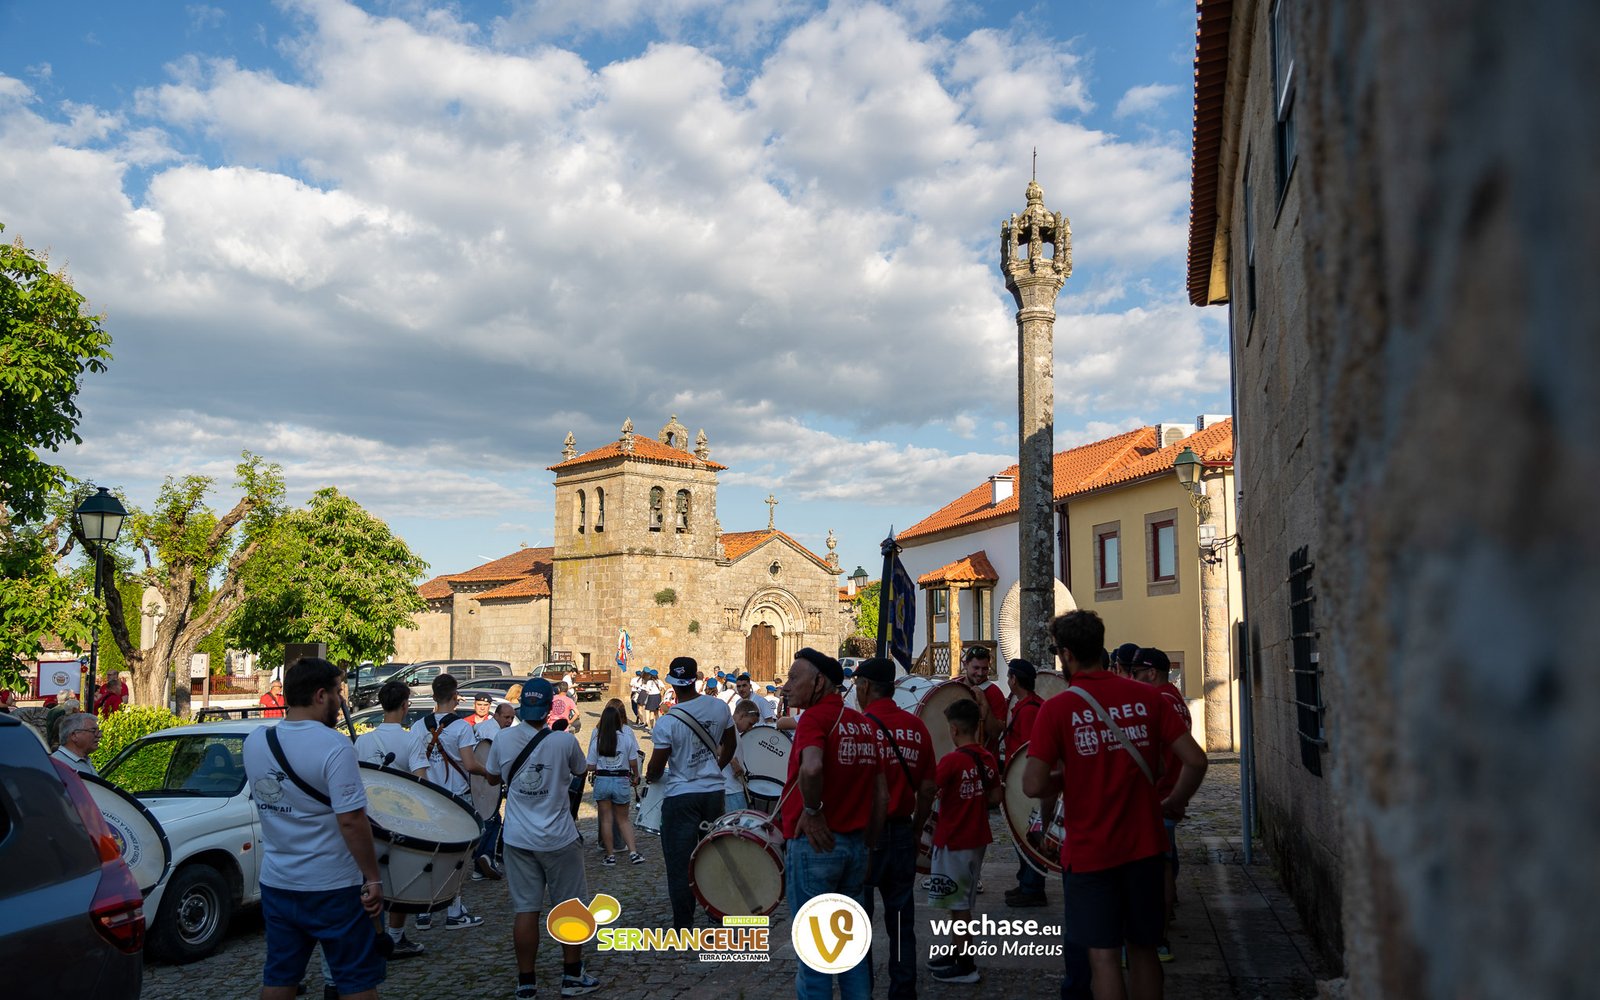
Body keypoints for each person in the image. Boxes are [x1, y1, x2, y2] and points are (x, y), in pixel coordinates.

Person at [1024, 611, 1208, 1000]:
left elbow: (1033, 784)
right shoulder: (1147, 697)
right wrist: (1174, 803)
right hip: (1145, 846)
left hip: (1091, 853)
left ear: (1068, 654)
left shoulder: (1057, 710)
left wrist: (1072, 773)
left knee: (1104, 957)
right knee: (1144, 950)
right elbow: (1196, 760)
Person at [242, 658, 385, 1000]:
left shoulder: (255, 741)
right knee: (356, 979)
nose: (341, 701)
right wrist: (373, 877)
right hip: (332, 884)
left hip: (278, 881)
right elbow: (350, 819)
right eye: (338, 692)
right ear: (321, 695)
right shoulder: (334, 745)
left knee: (279, 977)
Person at [482, 679, 601, 999]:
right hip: (559, 837)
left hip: (518, 837)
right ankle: (572, 976)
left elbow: (492, 777)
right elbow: (579, 770)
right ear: (550, 708)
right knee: (570, 908)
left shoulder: (503, 740)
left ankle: (526, 982)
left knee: (526, 910)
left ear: (522, 708)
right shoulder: (563, 743)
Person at [780, 648, 886, 1000]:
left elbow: (811, 768)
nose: (786, 686)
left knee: (814, 956)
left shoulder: (814, 719)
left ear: (820, 682)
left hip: (816, 848)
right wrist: (868, 845)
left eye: (795, 678)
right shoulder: (863, 724)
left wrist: (812, 811)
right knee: (851, 950)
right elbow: (880, 796)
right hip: (855, 847)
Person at [854, 657, 936, 1000]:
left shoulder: (858, 728)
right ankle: (904, 991)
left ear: (865, 687)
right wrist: (917, 829)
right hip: (902, 830)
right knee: (902, 920)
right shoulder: (916, 727)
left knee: (857, 922)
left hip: (863, 835)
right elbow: (929, 787)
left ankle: (861, 990)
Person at [646, 656, 735, 928]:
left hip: (681, 796)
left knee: (680, 863)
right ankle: (717, 916)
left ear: (672, 683)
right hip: (713, 793)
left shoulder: (666, 722)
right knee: (713, 858)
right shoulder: (719, 708)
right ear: (696, 679)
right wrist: (715, 768)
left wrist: (650, 776)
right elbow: (729, 745)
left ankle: (683, 926)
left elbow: (656, 768)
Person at [926, 698, 1002, 984]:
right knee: (961, 898)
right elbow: (995, 798)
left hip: (953, 838)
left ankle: (966, 965)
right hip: (977, 837)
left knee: (958, 905)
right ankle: (957, 951)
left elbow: (931, 788)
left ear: (954, 729)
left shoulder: (952, 761)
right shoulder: (988, 758)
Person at [350, 681, 424, 959]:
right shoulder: (411, 739)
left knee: (368, 880)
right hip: (400, 819)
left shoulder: (364, 741)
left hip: (368, 819)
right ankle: (394, 937)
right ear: (405, 705)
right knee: (399, 881)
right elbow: (422, 783)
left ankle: (371, 935)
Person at [407, 674, 486, 930]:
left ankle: (422, 912)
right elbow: (471, 765)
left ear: (433, 697)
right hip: (456, 798)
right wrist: (490, 774)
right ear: (455, 697)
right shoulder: (462, 727)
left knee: (427, 855)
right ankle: (454, 910)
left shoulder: (418, 726)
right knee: (458, 857)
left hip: (428, 797)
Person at [1132, 648, 1191, 962]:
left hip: (1160, 798)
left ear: (1151, 673)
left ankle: (1157, 940)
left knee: (1157, 873)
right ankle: (1158, 935)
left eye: (1137, 673)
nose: (1133, 678)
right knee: (1164, 869)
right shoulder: (1177, 701)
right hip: (1169, 798)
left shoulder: (1159, 703)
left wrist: (1170, 798)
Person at [1003, 658, 1050, 908]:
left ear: (1014, 679)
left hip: (1026, 782)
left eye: (1010, 676)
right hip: (1018, 780)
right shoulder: (1024, 706)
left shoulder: (1030, 709)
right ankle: (1026, 882)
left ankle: (1033, 887)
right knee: (1021, 834)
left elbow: (1029, 750)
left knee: (1030, 833)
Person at [586, 703, 645, 866]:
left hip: (603, 780)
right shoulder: (626, 736)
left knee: (606, 819)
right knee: (623, 819)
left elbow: (589, 765)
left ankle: (610, 855)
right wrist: (636, 775)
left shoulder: (598, 738)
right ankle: (633, 852)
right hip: (621, 780)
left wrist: (600, 763)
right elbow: (634, 761)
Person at [468, 700, 508, 882]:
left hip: (477, 780)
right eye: (506, 717)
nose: (509, 721)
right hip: (488, 780)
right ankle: (481, 859)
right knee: (491, 819)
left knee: (493, 819)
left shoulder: (480, 728)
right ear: (496, 715)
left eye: (511, 718)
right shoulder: (496, 735)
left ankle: (483, 861)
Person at [958, 647, 1007, 757]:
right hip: (958, 757)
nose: (980, 673)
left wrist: (984, 702)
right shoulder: (954, 686)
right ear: (965, 665)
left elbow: (995, 734)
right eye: (976, 668)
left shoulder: (994, 693)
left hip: (984, 760)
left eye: (985, 669)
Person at [723, 698, 762, 812]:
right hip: (730, 790)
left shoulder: (733, 730)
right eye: (750, 724)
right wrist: (733, 761)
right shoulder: (728, 727)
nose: (750, 729)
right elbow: (715, 746)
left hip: (734, 787)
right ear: (741, 716)